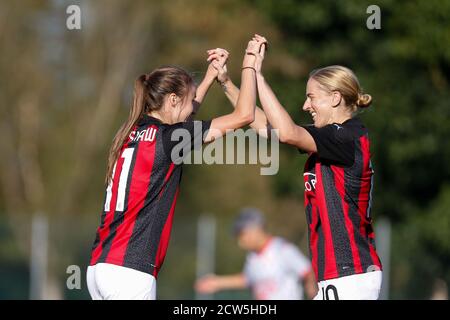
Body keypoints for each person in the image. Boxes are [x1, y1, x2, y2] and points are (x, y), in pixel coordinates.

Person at [86, 35, 267, 300]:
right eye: (189, 99)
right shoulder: (169, 139)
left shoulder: (131, 131)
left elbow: (183, 117)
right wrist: (249, 66)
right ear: (172, 100)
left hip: (99, 266)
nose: (192, 108)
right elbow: (245, 116)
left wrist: (208, 78)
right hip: (130, 271)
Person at [208, 35, 382, 300]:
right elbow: (269, 128)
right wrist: (227, 84)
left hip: (350, 273)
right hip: (341, 275)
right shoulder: (332, 137)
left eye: (311, 97)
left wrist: (257, 75)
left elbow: (287, 132)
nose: (305, 105)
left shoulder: (346, 137)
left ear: (335, 98)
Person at [195, 208, 317, 300]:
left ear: (255, 230)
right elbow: (248, 279)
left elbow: (307, 271)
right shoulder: (252, 257)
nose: (240, 241)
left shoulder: (282, 250)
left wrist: (312, 290)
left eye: (242, 235)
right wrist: (217, 282)